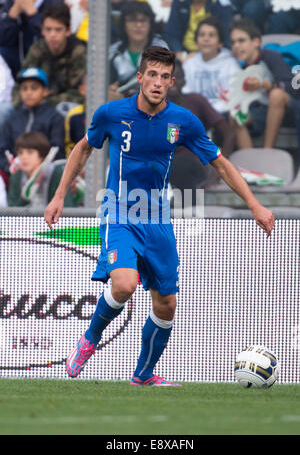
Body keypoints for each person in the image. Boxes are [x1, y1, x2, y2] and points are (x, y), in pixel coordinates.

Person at [44, 46, 274, 386]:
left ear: (171, 82)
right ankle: (90, 338)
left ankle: (144, 375)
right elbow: (83, 147)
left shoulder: (183, 121)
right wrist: (59, 196)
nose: (157, 82)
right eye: (152, 74)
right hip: (118, 211)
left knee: (166, 304)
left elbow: (221, 164)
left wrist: (255, 205)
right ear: (139, 77)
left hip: (157, 220)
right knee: (124, 283)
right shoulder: (111, 113)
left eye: (164, 77)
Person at [229, 18, 299, 149]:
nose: (236, 46)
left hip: (288, 109)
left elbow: (291, 87)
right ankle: (248, 163)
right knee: (235, 115)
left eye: (241, 41)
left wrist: (264, 84)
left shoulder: (270, 56)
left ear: (256, 42)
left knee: (276, 95)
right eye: (233, 43)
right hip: (261, 111)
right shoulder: (239, 67)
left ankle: (268, 150)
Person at [168, 58, 235, 192]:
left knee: (180, 166)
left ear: (184, 82)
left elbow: (229, 135)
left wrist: (219, 171)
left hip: (192, 166)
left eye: (176, 77)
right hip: (165, 170)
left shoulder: (195, 101)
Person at [12, 1, 87, 108]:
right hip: (34, 104)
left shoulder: (78, 52)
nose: (52, 35)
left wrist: (43, 102)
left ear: (68, 31)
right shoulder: (37, 49)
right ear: (42, 30)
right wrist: (21, 103)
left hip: (62, 107)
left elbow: (79, 93)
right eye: (48, 29)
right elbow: (21, 82)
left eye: (58, 30)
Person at [0, 67, 65, 174]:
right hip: (15, 174)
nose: (28, 93)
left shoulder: (55, 117)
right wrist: (9, 167)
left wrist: (39, 166)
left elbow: (57, 151)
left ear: (45, 91)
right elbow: (3, 149)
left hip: (45, 175)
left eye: (34, 88)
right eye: (24, 88)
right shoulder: (12, 118)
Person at [108, 0, 168, 101]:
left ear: (150, 24)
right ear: (124, 25)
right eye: (132, 20)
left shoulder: (162, 49)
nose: (139, 25)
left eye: (143, 20)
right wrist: (109, 92)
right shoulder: (113, 52)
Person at [0, 0, 63, 77]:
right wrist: (13, 13)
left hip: (45, 61)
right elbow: (2, 39)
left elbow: (51, 40)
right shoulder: (12, 1)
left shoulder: (55, 2)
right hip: (17, 61)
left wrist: (32, 12)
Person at [182, 16, 240, 115]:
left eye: (211, 35)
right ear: (196, 42)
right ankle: (170, 131)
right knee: (174, 122)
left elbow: (233, 98)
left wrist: (209, 112)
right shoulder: (189, 64)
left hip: (222, 114)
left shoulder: (230, 64)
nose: (206, 39)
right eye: (202, 35)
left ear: (220, 43)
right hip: (194, 114)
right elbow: (185, 94)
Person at [163, 0, 234, 62]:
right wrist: (179, 53)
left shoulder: (223, 4)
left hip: (211, 53)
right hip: (182, 53)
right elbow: (171, 33)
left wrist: (198, 55)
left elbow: (224, 39)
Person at [8, 131, 76, 206]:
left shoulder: (56, 173)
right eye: (20, 153)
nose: (24, 157)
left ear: (42, 156)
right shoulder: (16, 176)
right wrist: (25, 197)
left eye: (30, 152)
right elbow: (11, 211)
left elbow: (66, 208)